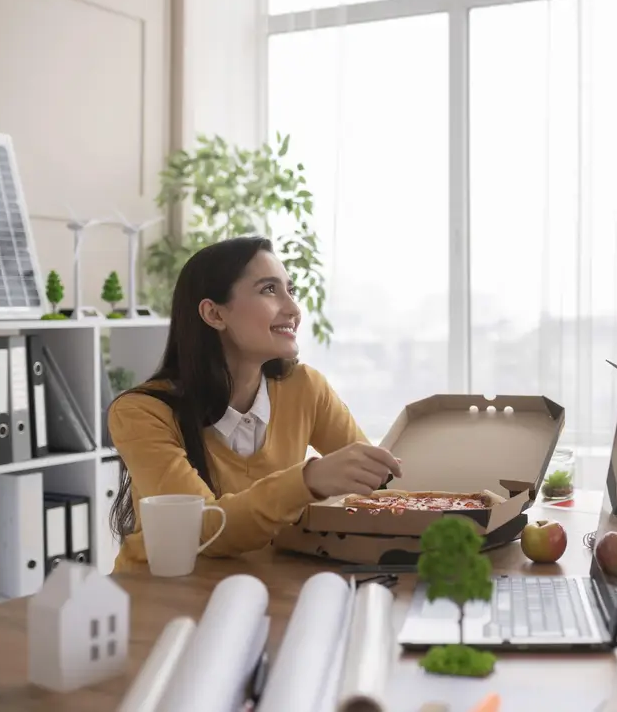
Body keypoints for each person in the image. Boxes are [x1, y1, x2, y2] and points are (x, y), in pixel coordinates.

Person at [108, 235, 401, 572]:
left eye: (290, 290)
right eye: (269, 290)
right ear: (214, 313)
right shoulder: (141, 413)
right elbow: (202, 530)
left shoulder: (305, 388)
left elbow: (375, 490)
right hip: (158, 600)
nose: (293, 309)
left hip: (261, 592)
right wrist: (309, 480)